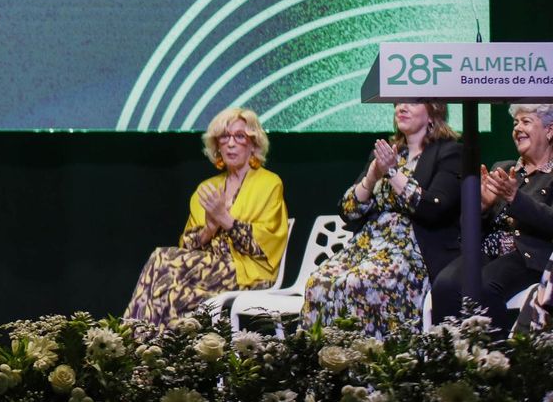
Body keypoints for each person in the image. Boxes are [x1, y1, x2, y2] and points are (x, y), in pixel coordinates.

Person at [300, 101, 461, 336]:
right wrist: (373, 176)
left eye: (412, 102)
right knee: (318, 282)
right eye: (398, 103)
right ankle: (326, 363)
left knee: (358, 283)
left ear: (433, 111)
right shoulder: (389, 152)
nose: (401, 108)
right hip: (369, 246)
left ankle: (373, 362)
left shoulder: (450, 152)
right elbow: (348, 210)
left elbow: (434, 208)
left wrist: (393, 173)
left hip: (413, 250)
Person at [124, 107, 288, 330]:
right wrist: (209, 230)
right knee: (169, 286)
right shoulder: (207, 188)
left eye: (239, 136)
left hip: (249, 272)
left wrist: (225, 219)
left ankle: (132, 338)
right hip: (204, 271)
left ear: (253, 144)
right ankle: (152, 349)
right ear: (217, 146)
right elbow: (188, 247)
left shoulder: (269, 183)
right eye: (224, 137)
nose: (231, 143)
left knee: (162, 259)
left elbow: (265, 245)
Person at [431, 103, 553, 330]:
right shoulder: (503, 169)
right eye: (515, 123)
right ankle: (449, 358)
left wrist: (516, 198)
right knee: (445, 285)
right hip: (487, 251)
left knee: (484, 287)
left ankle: (494, 360)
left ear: (549, 130)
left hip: (527, 256)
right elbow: (466, 229)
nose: (517, 128)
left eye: (526, 122)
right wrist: (481, 206)